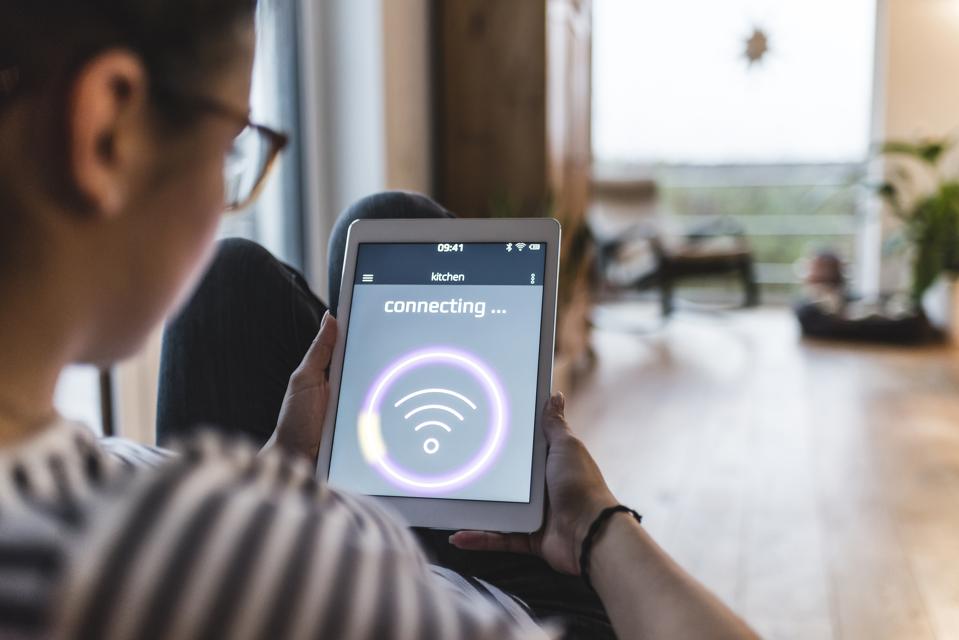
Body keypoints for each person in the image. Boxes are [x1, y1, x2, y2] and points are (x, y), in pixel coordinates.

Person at [0, 1, 758, 638]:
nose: (229, 191)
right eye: (233, 150)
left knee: (288, 255)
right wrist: (593, 524)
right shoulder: (295, 587)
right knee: (384, 227)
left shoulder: (71, 496)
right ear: (107, 132)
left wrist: (274, 475)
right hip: (513, 595)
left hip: (304, 514)